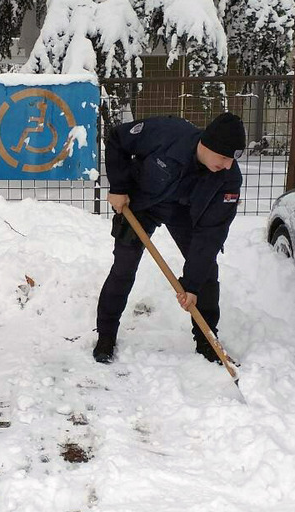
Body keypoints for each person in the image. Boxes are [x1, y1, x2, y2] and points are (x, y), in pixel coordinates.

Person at [93, 112, 245, 364]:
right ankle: (106, 335)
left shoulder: (228, 180)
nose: (228, 165)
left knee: (207, 273)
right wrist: (119, 187)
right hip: (141, 204)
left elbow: (211, 235)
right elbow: (117, 139)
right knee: (124, 267)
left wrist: (192, 285)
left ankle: (208, 341)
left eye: (232, 160)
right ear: (207, 145)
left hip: (186, 214)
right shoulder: (167, 133)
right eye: (224, 157)